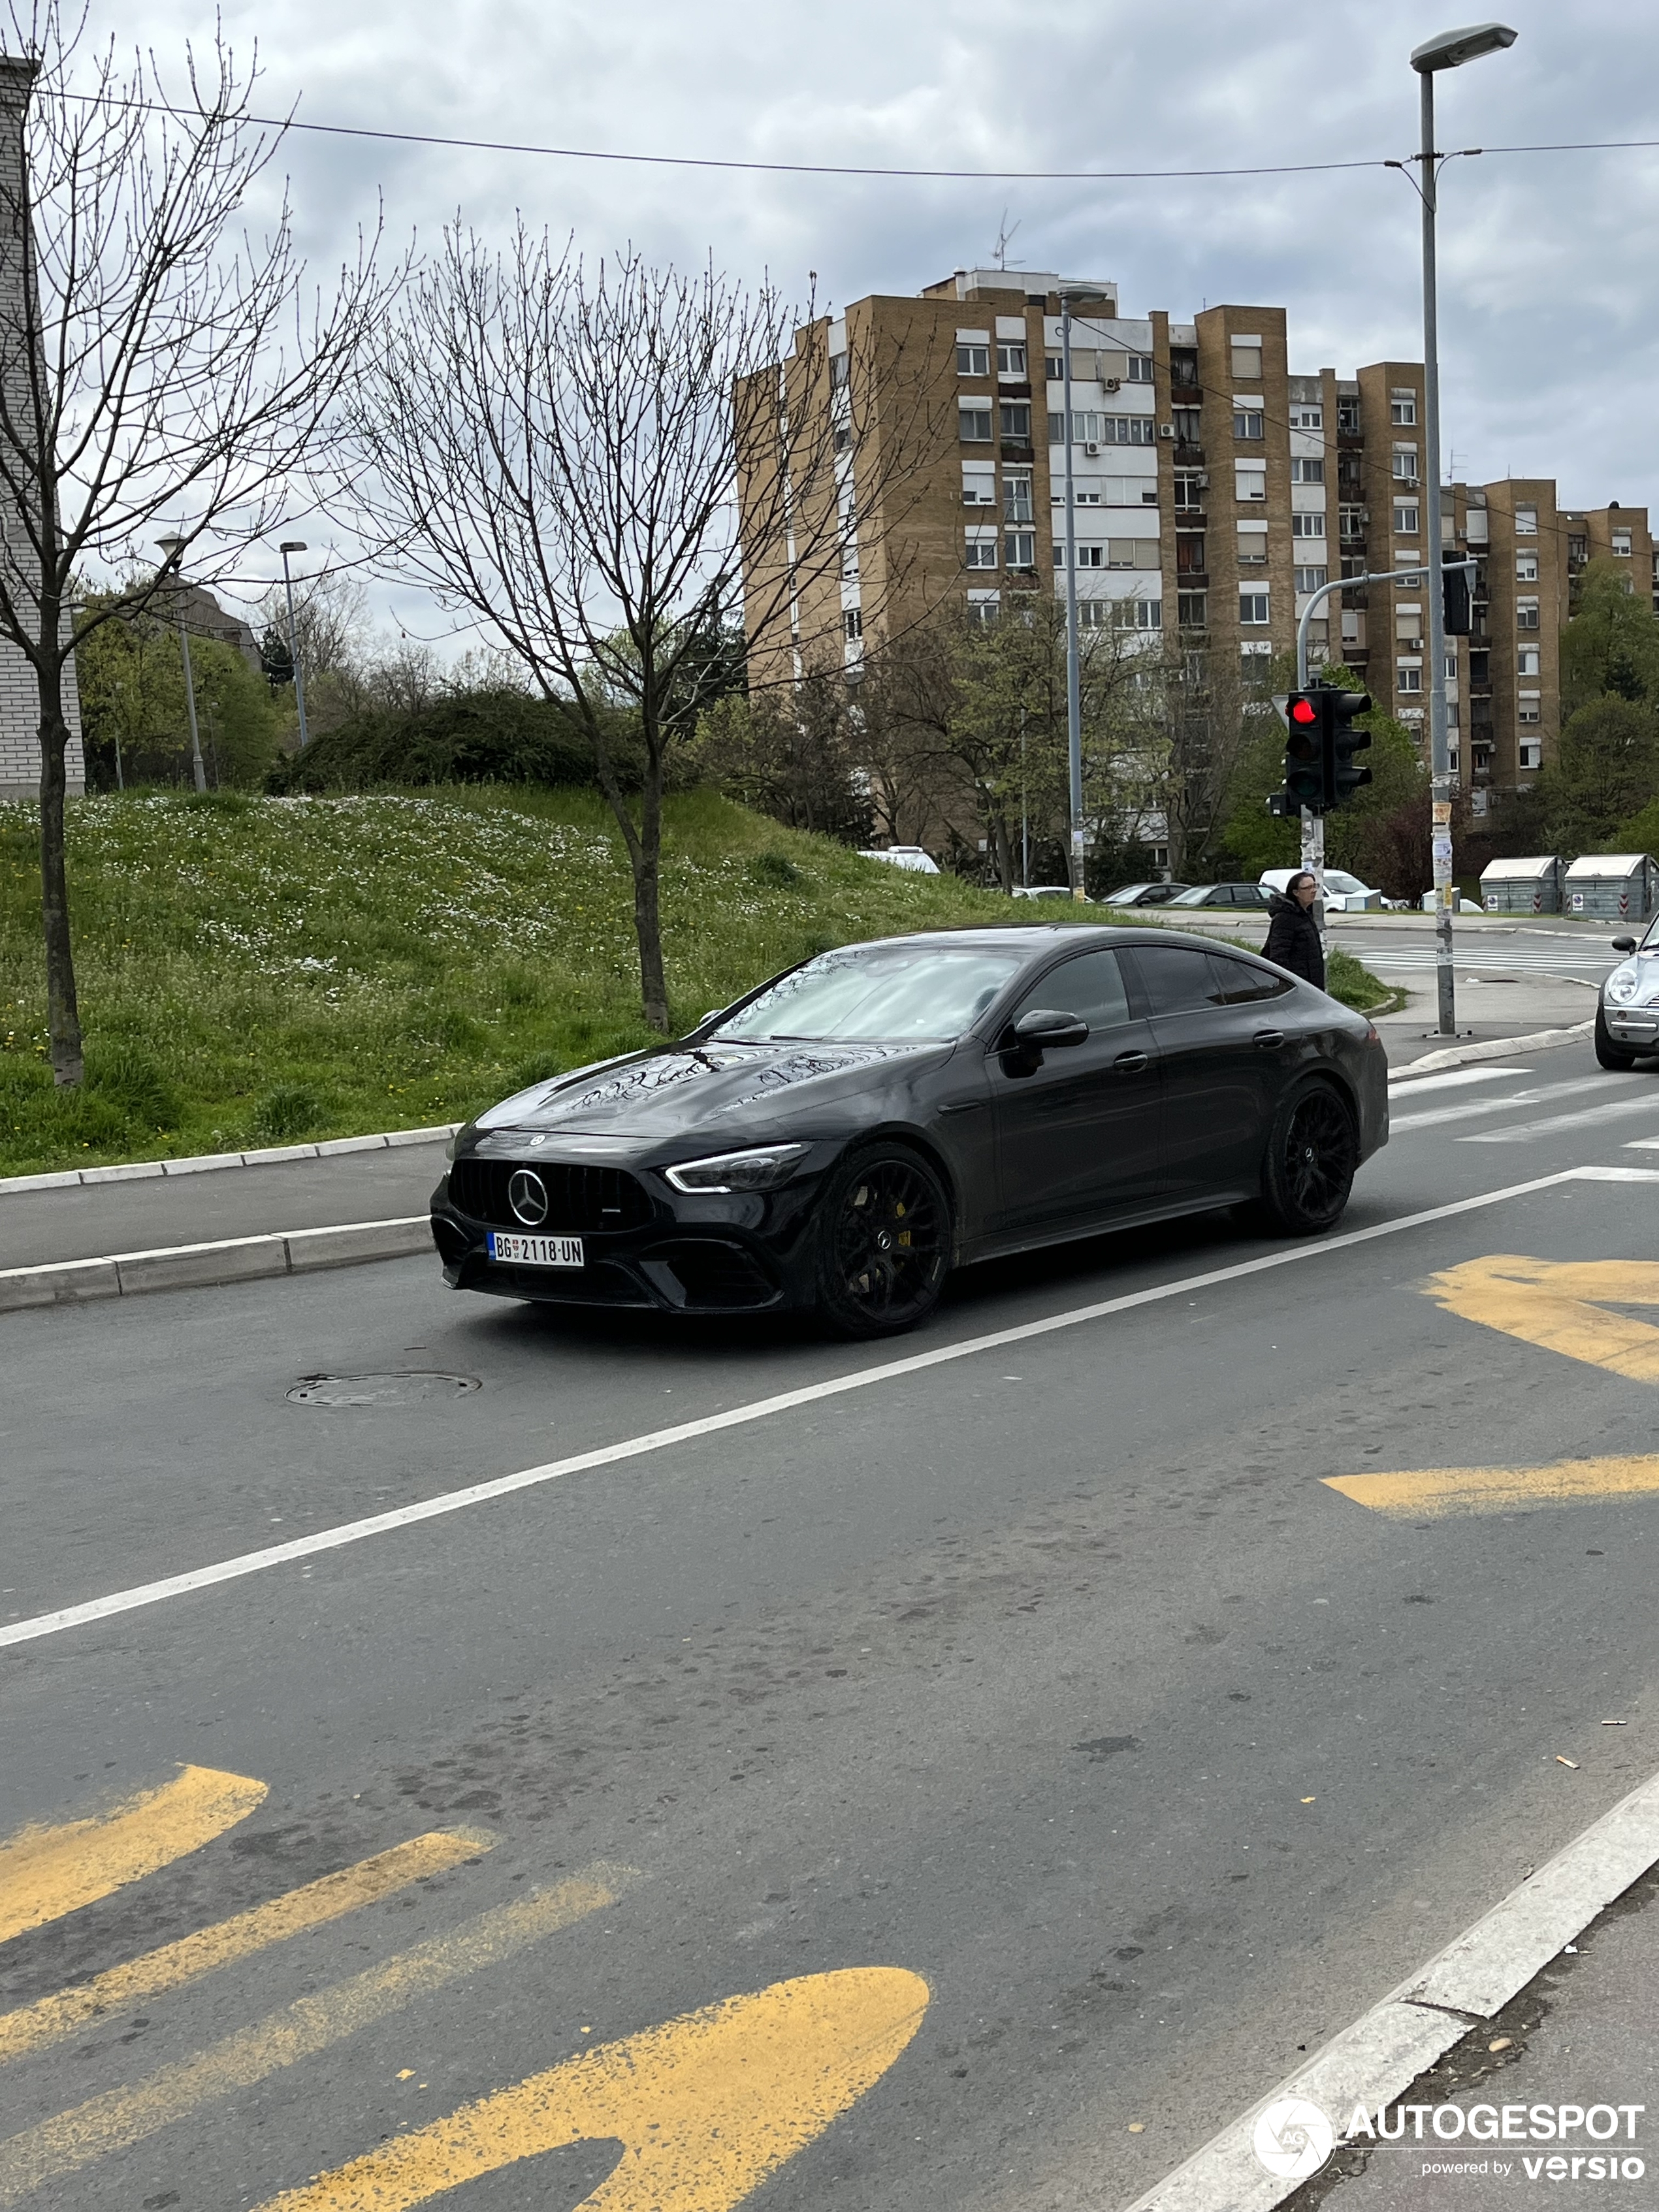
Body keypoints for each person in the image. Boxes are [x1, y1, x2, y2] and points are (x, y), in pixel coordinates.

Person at [1263, 870, 1325, 989]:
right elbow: (1278, 956)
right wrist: (1290, 984)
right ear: (1296, 892)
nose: (1313, 891)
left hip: (1312, 983)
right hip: (1297, 984)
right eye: (1308, 888)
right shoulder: (1285, 918)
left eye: (1314, 886)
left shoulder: (1306, 913)